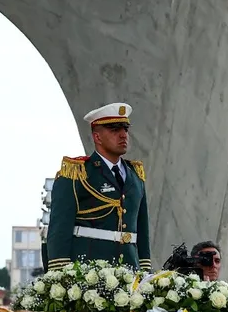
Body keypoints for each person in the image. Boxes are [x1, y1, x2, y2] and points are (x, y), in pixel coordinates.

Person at [45, 102, 152, 274]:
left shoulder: (136, 175)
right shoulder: (77, 173)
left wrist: (145, 270)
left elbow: (142, 229)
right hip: (89, 273)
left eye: (125, 128)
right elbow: (59, 231)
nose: (123, 135)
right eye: (114, 129)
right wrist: (61, 276)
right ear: (97, 137)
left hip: (130, 271)